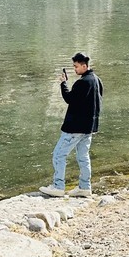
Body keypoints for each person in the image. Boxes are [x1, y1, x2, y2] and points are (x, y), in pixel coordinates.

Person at [40, 51, 102, 198]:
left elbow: (69, 99)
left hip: (75, 128)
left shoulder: (82, 82)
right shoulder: (97, 80)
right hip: (89, 128)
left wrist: (63, 83)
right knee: (83, 156)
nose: (74, 69)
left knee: (58, 155)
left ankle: (58, 186)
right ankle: (85, 187)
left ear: (84, 66)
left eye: (76, 67)